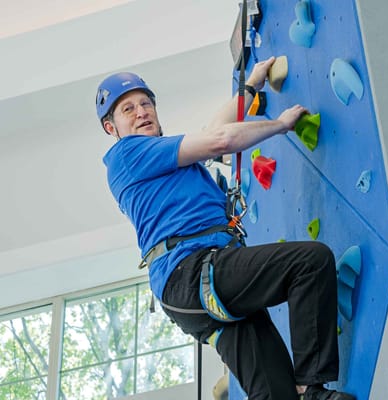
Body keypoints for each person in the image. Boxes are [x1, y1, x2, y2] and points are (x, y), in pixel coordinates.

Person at [97, 57, 355, 400]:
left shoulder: (162, 159)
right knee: (308, 263)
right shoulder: (127, 155)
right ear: (111, 128)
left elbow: (213, 129)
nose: (141, 111)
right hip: (189, 272)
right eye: (128, 109)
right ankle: (315, 390)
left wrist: (250, 87)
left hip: (190, 289)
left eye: (146, 103)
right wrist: (280, 124)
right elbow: (220, 140)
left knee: (276, 394)